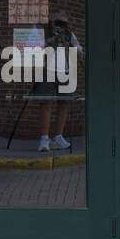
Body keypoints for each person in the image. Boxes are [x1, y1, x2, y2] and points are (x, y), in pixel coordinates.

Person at [36, 10, 81, 152]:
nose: (60, 25)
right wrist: (51, 38)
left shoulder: (69, 35)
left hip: (65, 72)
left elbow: (79, 50)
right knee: (46, 103)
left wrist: (74, 48)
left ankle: (58, 137)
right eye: (58, 22)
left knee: (64, 103)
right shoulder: (44, 32)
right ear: (52, 21)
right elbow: (35, 48)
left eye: (63, 22)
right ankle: (44, 139)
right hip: (47, 70)